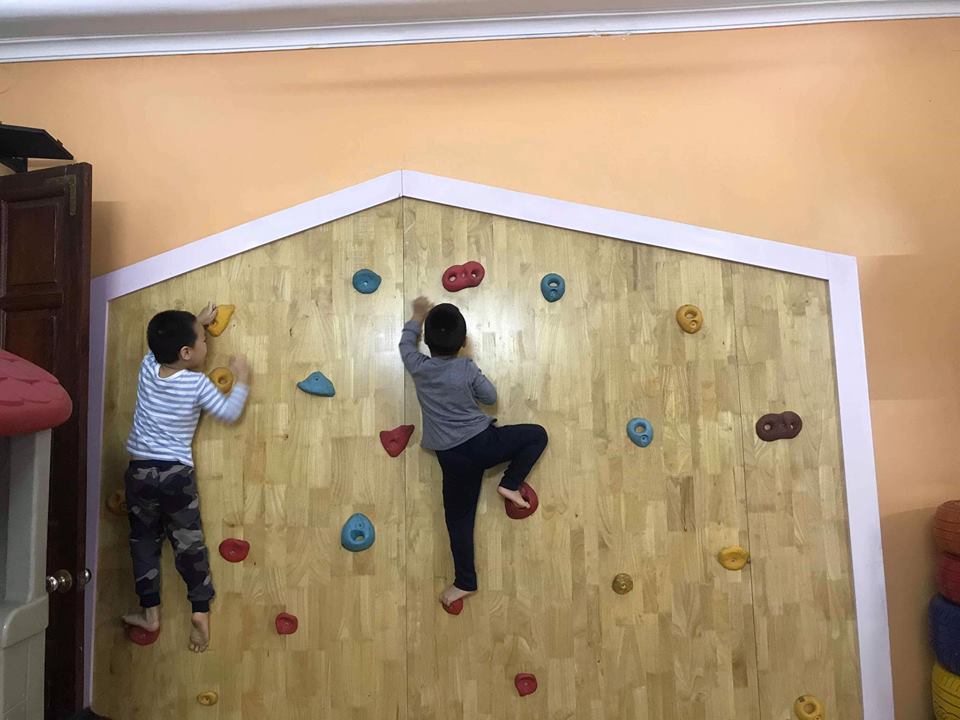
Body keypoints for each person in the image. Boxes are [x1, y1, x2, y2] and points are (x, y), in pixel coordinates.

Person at [399, 297, 548, 609]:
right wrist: (471, 376)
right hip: (484, 443)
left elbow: (405, 346)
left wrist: (416, 316)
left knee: (459, 521)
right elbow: (490, 397)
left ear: (427, 342)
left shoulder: (418, 367)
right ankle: (510, 483)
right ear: (464, 342)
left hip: (452, 458)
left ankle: (464, 581)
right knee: (537, 435)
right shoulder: (465, 368)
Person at [121, 302, 249, 652]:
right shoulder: (197, 385)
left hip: (139, 471)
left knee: (142, 541)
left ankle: (150, 612)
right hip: (176, 474)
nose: (207, 343)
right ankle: (200, 609)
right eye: (202, 340)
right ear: (187, 353)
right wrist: (242, 379)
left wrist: (197, 323)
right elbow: (229, 413)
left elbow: (164, 344)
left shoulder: (148, 367)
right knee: (188, 542)